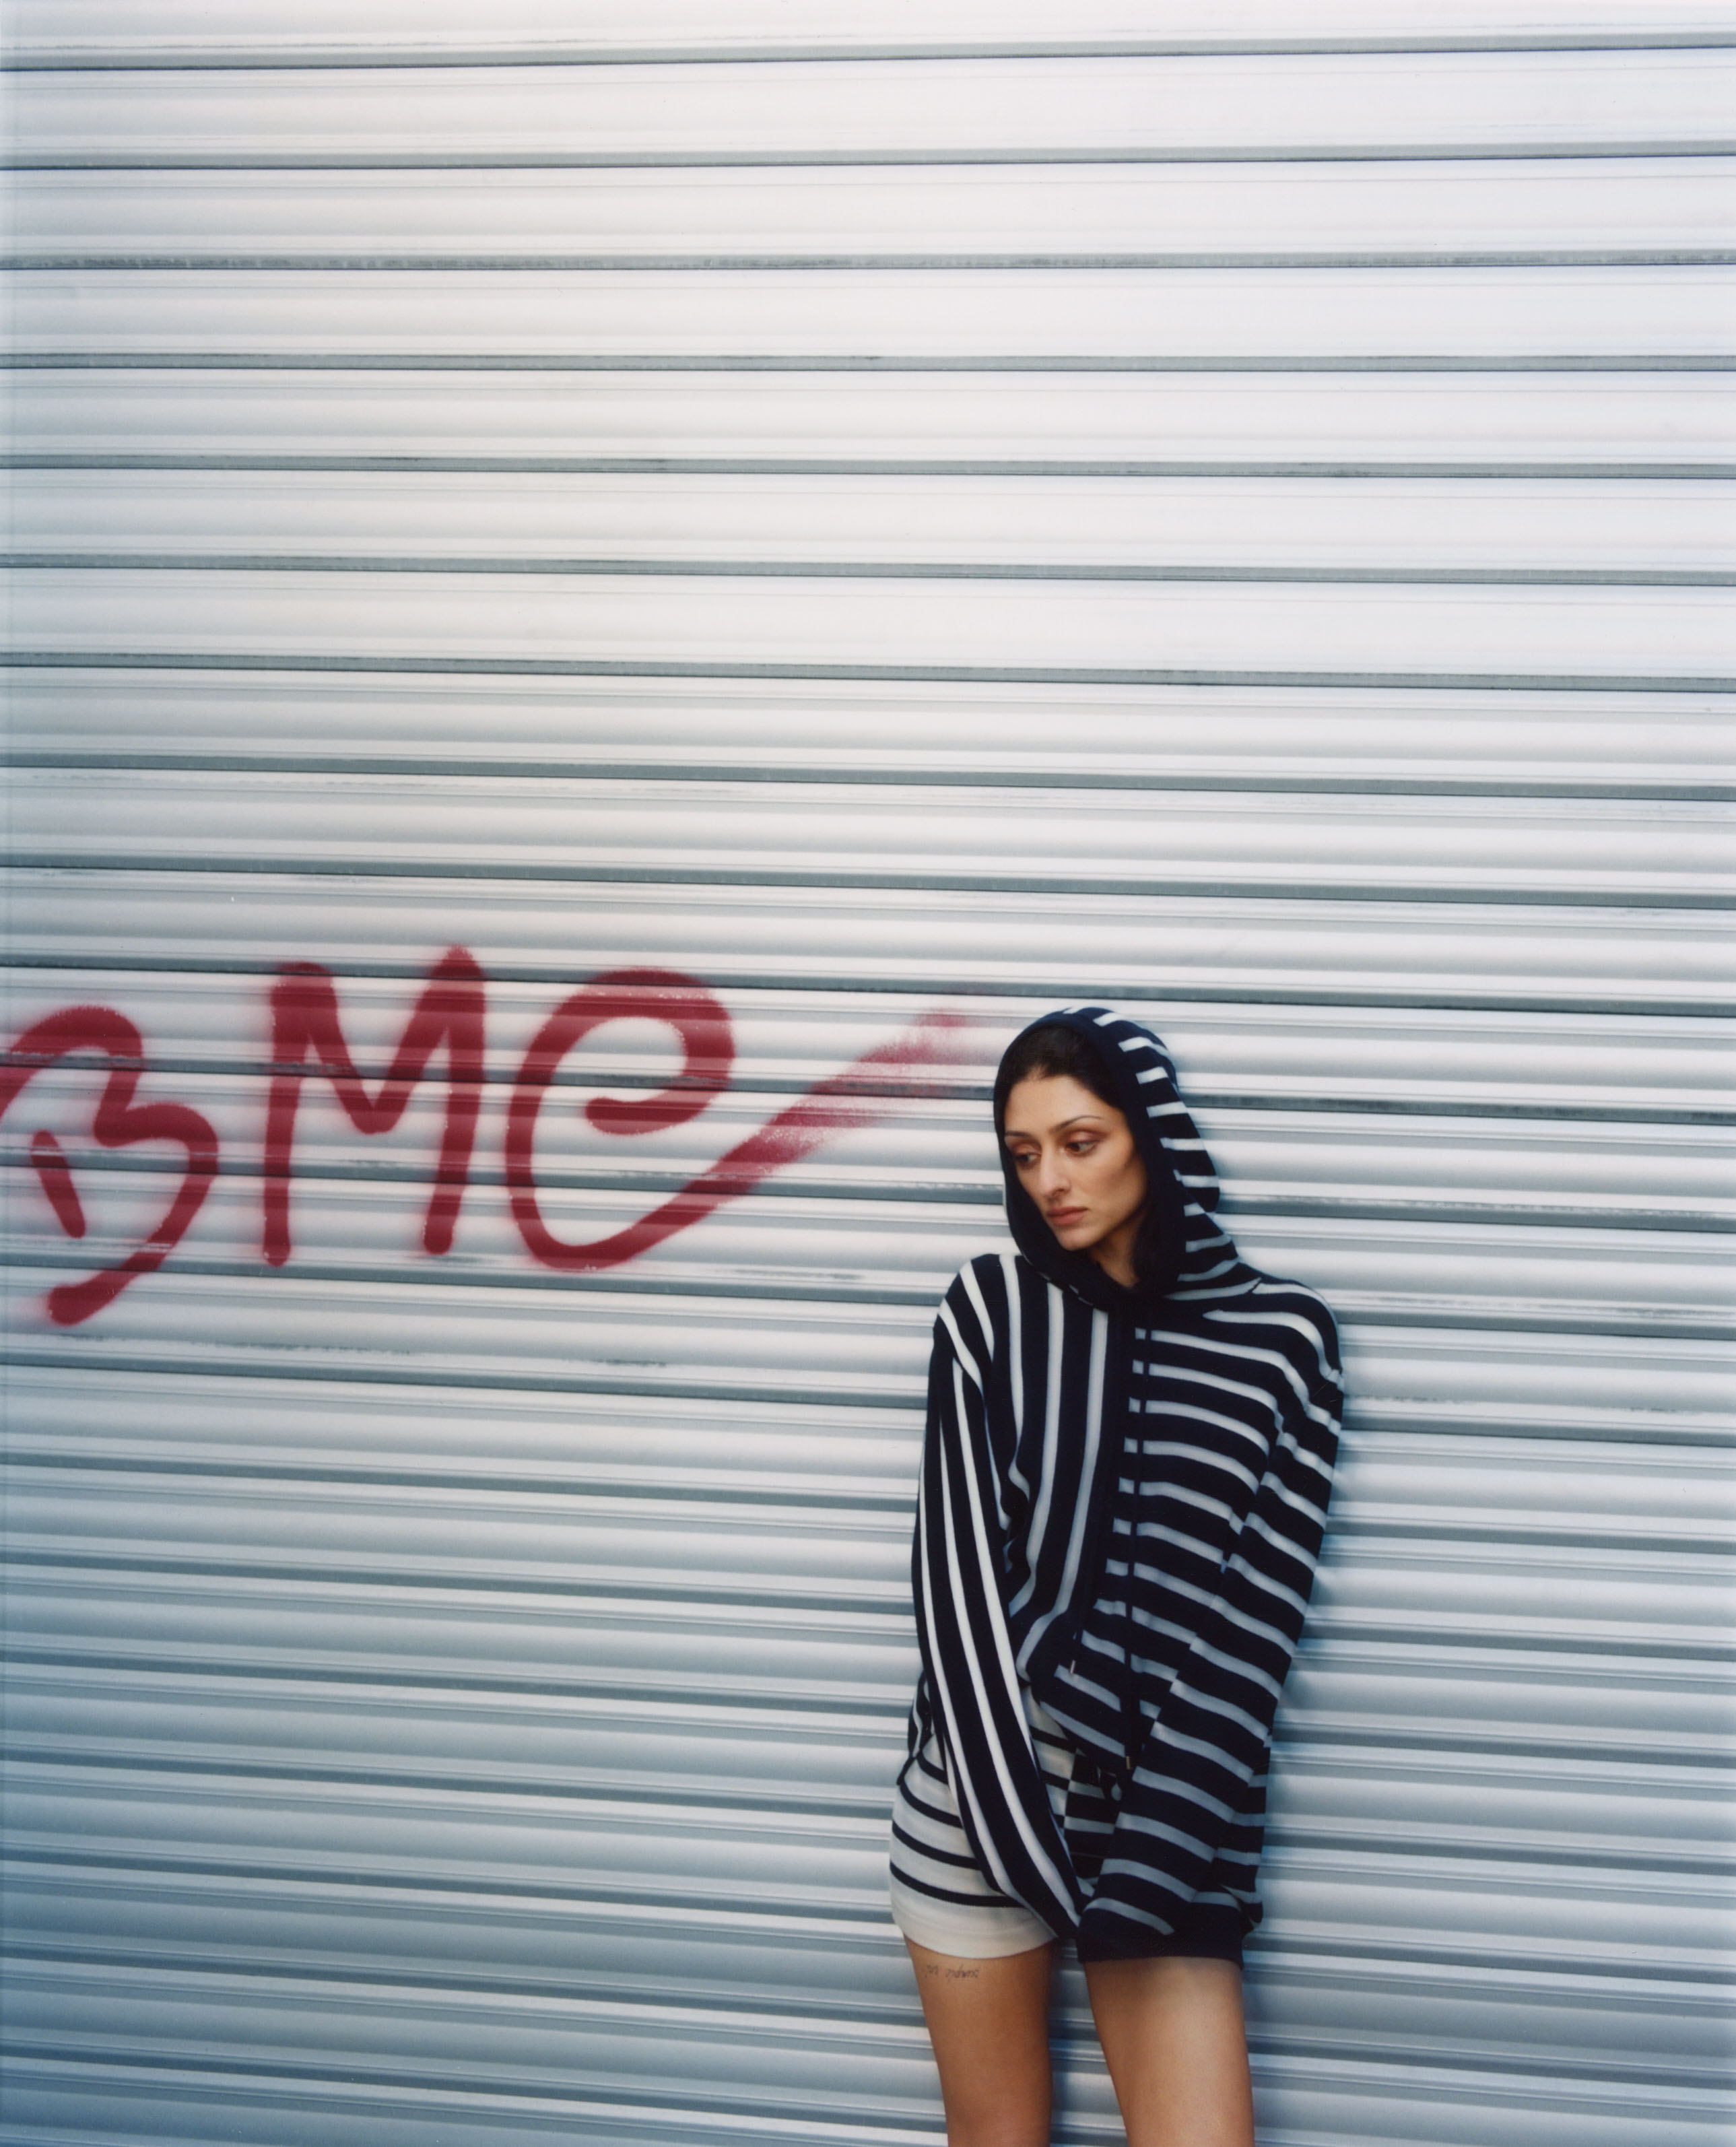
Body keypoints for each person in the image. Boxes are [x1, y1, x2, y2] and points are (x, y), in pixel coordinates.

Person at [889, 1007, 1342, 2147]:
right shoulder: (992, 1310)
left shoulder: (1281, 1341)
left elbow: (1254, 1626)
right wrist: (1024, 1849)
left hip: (1173, 1818)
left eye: (1079, 1141)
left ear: (1152, 1133)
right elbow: (955, 1592)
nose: (1049, 1180)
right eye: (1022, 1153)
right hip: (983, 1808)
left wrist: (1146, 1872)